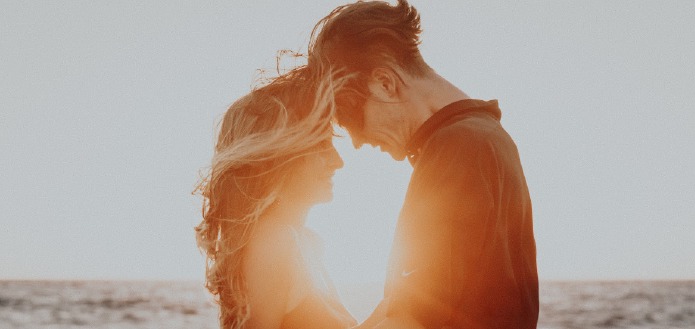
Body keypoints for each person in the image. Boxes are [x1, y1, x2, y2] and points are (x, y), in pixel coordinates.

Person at [308, 1, 539, 328]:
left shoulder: (459, 147)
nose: (358, 142)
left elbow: (416, 316)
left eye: (350, 118)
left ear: (385, 83)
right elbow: (406, 301)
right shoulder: (484, 136)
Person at [194, 65, 363, 329]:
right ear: (278, 158)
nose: (337, 161)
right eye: (320, 146)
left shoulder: (306, 242)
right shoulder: (273, 242)